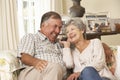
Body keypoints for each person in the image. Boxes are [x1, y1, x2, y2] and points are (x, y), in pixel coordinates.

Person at [17, 11, 66, 80]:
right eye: (55, 26)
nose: (58, 31)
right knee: (55, 67)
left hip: (57, 75)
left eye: (60, 27)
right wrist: (36, 62)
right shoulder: (31, 37)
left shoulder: (60, 43)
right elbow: (24, 57)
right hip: (34, 73)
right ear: (43, 25)